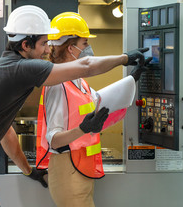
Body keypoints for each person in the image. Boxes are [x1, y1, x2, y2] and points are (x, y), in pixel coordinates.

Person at [0, 5, 147, 207]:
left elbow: (5, 132)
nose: (48, 49)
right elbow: (86, 65)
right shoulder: (21, 69)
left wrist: (29, 170)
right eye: (44, 43)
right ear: (25, 45)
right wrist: (125, 58)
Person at [36, 12, 151, 207]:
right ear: (70, 48)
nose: (89, 48)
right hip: (67, 169)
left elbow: (102, 101)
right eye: (85, 43)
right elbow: (53, 139)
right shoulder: (57, 85)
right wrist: (82, 129)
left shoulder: (79, 81)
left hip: (80, 168)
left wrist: (133, 79)